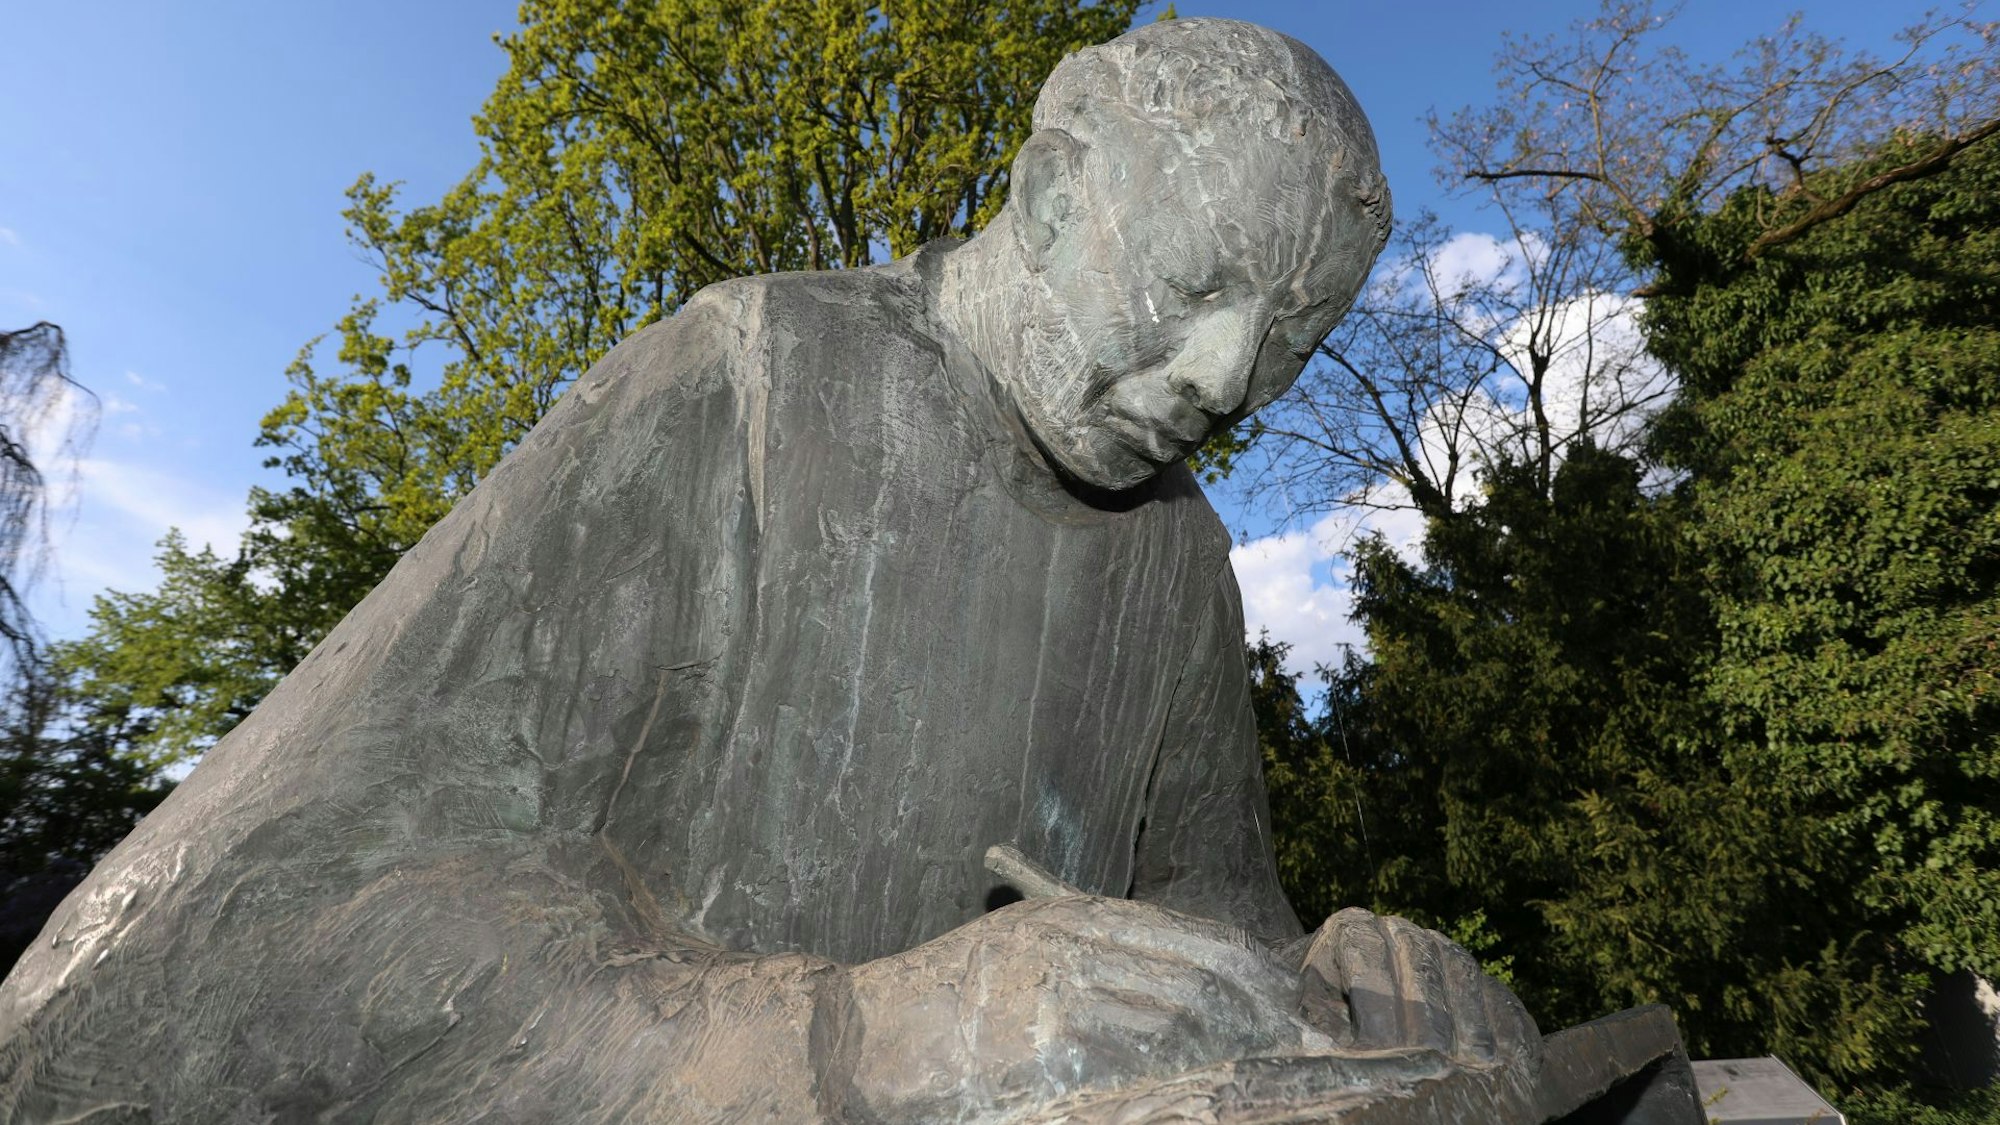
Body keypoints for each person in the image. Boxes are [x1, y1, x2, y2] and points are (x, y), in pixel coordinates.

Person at [0, 19, 1536, 1122]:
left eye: (1287, 337)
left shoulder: (1183, 560)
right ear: (1058, 191)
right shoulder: (745, 379)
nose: (1225, 376)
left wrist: (1348, 982)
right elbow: (275, 910)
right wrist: (851, 1038)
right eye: (1202, 286)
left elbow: (1212, 940)